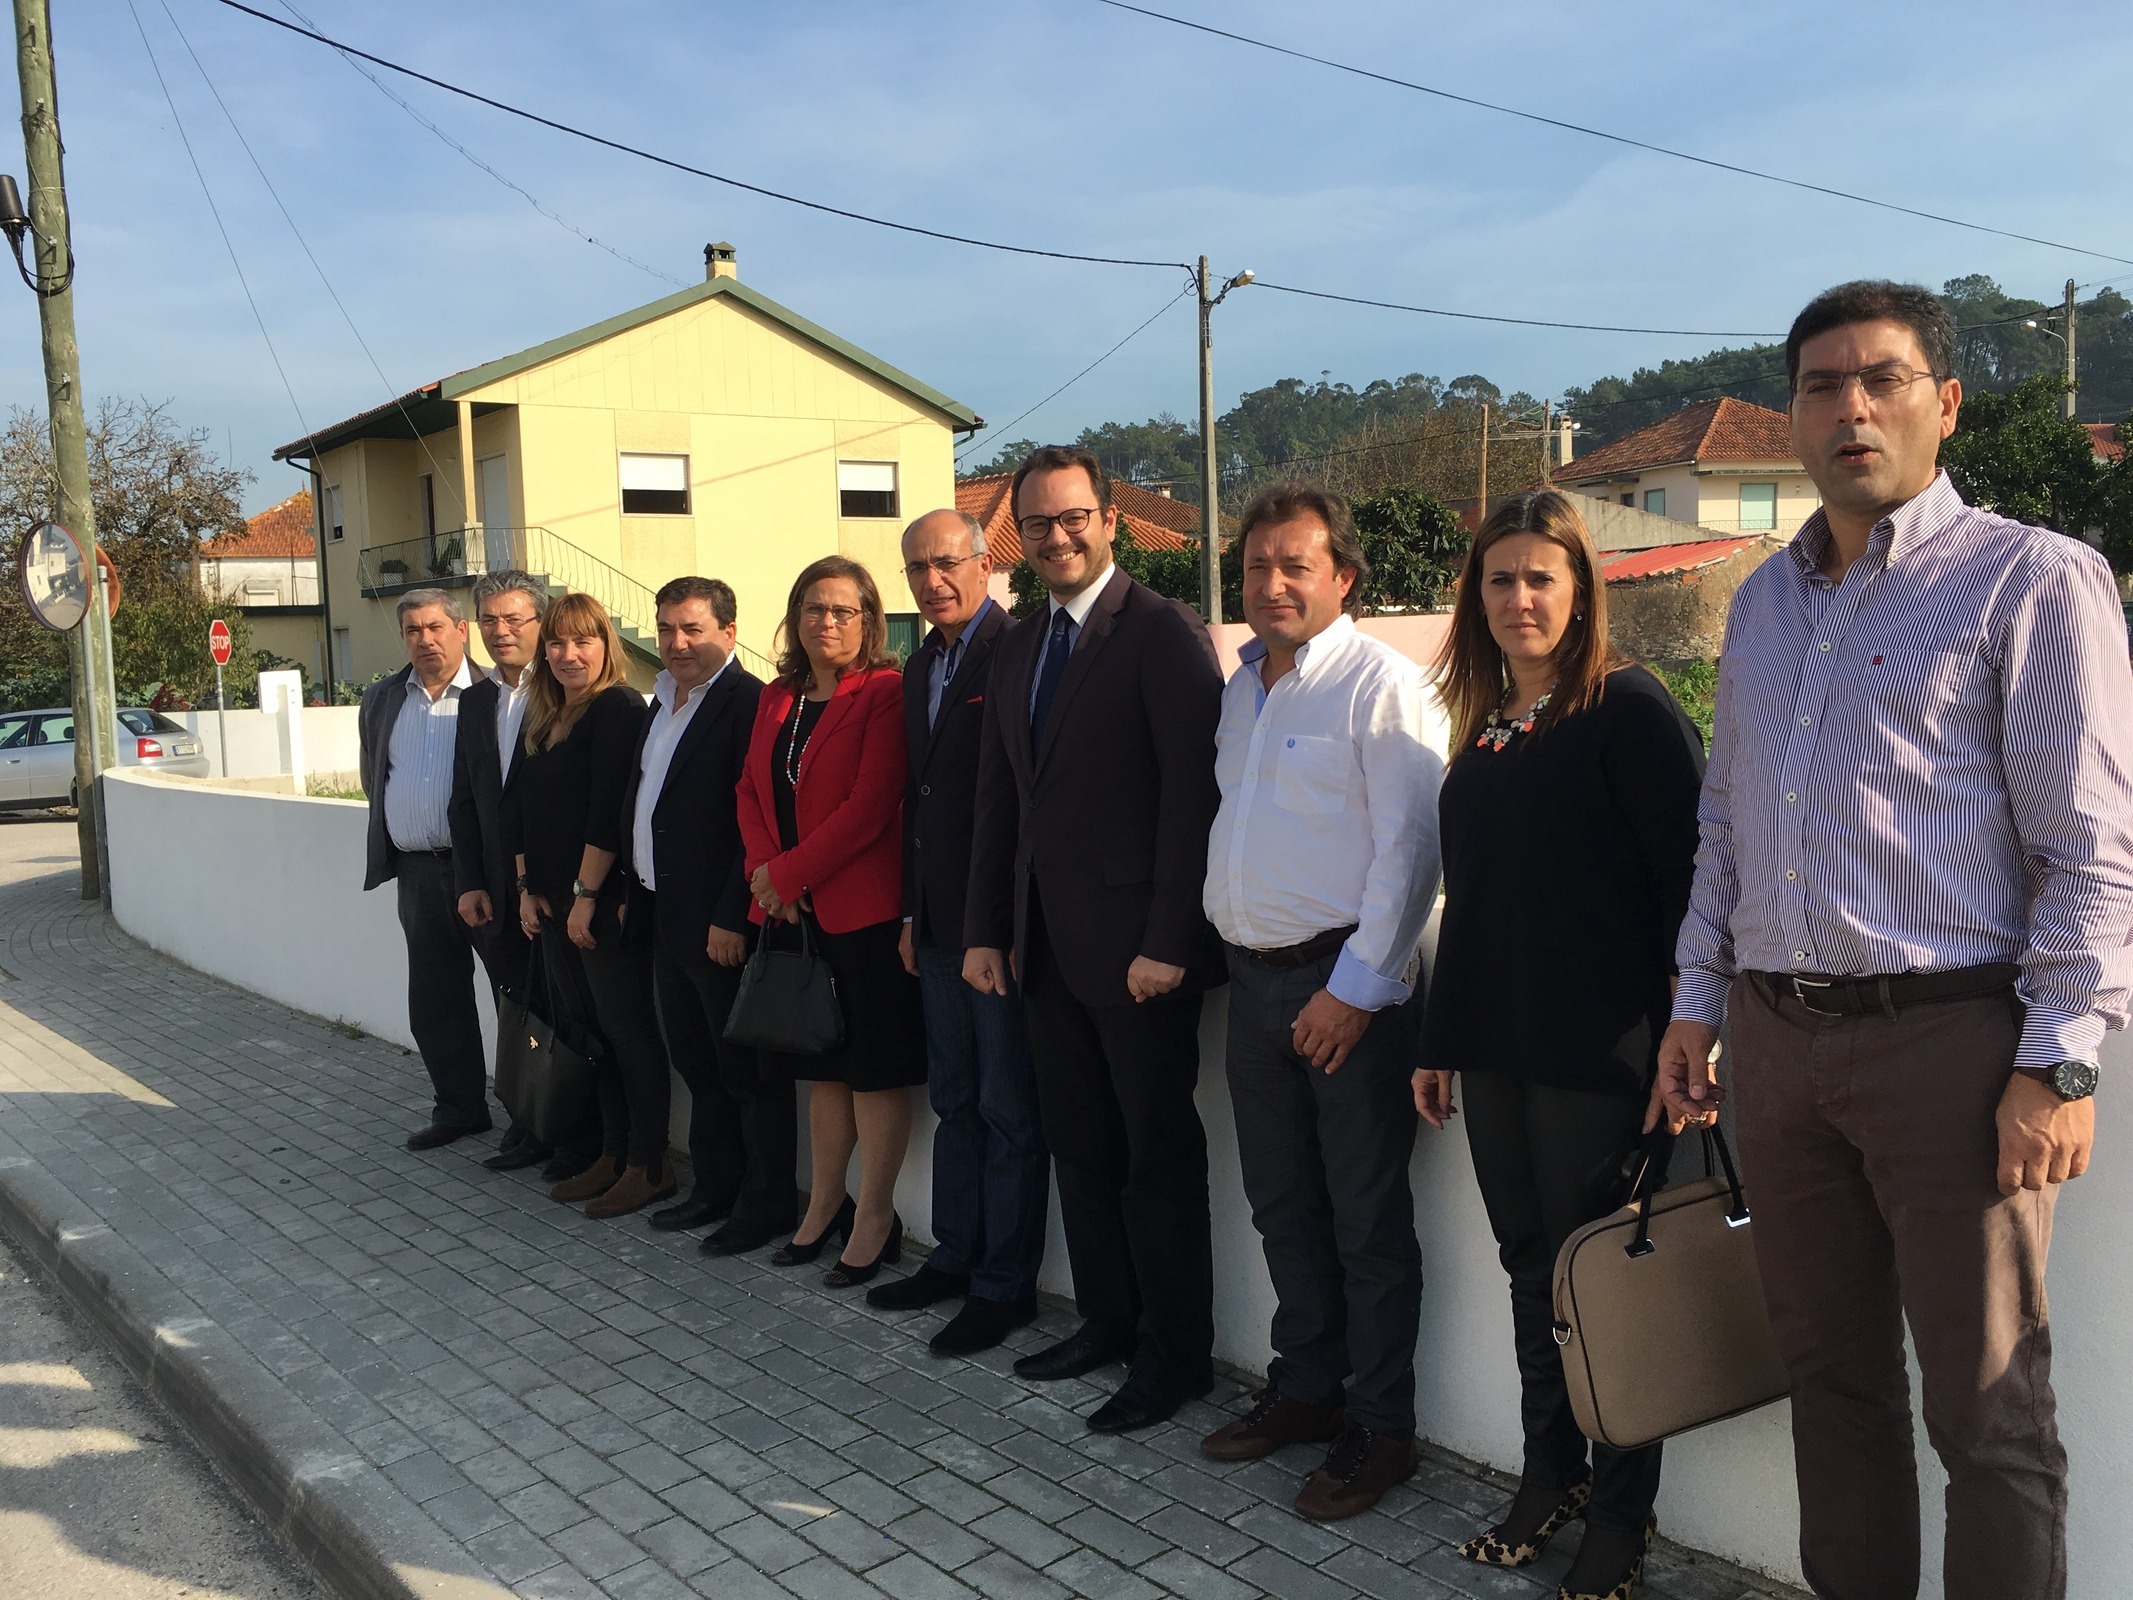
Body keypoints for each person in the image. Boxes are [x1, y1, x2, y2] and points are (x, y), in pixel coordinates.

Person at [1657, 281, 2133, 1600]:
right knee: (1831, 1382)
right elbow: (1727, 823)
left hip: (1954, 1050)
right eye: (1822, 386)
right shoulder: (1761, 604)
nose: (1851, 408)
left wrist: (2061, 1061)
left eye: (1882, 380)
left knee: (1988, 1411)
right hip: (1776, 1043)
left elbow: (2093, 848)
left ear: (1946, 403)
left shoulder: (2030, 579)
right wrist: (1696, 998)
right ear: (1793, 417)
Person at [1414, 490, 1705, 1600]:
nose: (1519, 597)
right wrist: (1439, 1039)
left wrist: (1692, 1039)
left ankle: (1622, 1520)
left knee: (1606, 1291)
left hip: (1603, 1054)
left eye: (1541, 577)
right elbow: (1475, 901)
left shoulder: (1629, 709)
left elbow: (1692, 892)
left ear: (1581, 591)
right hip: (1498, 1046)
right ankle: (1553, 1474)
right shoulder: (1490, 722)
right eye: (1500, 578)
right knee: (1530, 1269)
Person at [964, 444, 1226, 1433]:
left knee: (1156, 1159)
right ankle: (1108, 1323)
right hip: (1043, 950)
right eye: (1037, 523)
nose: (1057, 536)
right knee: (1079, 1148)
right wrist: (988, 929)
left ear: (1110, 520)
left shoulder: (1161, 631)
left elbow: (1193, 800)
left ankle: (1175, 1357)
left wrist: (1169, 938)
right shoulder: (1020, 642)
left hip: (1140, 957)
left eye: (1074, 517)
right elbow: (1001, 800)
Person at [1197, 484, 1444, 1520]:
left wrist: (1354, 991)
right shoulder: (1243, 688)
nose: (1272, 583)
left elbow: (1413, 851)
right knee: (1281, 1206)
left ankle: (1380, 1429)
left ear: (1343, 576)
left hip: (1343, 991)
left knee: (1365, 1221)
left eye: (1295, 565)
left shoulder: (1381, 685)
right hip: (1252, 984)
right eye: (1256, 566)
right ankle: (1306, 1388)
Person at [870, 509, 1050, 1355]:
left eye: (946, 563)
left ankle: (1003, 1286)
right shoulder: (920, 666)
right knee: (955, 1099)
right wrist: (912, 913)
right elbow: (921, 802)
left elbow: (1019, 804)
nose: (931, 580)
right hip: (936, 923)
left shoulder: (1018, 653)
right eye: (917, 568)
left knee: (1009, 1108)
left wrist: (999, 925)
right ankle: (954, 1255)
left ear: (985, 565)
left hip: (998, 928)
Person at [735, 556, 922, 1287]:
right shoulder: (776, 696)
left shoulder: (883, 692)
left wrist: (789, 875)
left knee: (872, 1072)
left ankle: (874, 1216)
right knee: (822, 1070)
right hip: (792, 913)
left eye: (845, 610)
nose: (828, 622)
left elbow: (871, 805)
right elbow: (749, 791)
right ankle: (823, 1203)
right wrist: (769, 877)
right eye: (814, 608)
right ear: (795, 618)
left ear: (869, 620)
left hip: (863, 914)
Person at [614, 577, 795, 1253]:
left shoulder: (750, 704)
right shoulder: (661, 700)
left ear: (728, 631)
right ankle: (716, 1189)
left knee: (748, 1075)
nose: (676, 642)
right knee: (698, 1063)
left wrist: (733, 915)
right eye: (666, 629)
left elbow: (757, 823)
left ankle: (765, 1205)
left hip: (721, 924)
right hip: (664, 915)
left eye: (692, 628)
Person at [504, 592, 674, 1218]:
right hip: (551, 905)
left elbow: (609, 812)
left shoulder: (618, 709)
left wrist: (585, 896)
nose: (569, 654)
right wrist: (526, 888)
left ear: (607, 645)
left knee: (627, 1032)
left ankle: (648, 1165)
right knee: (590, 1033)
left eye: (583, 641)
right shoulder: (543, 715)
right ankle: (612, 1152)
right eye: (557, 642)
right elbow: (518, 809)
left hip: (598, 904)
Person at [358, 588, 493, 1149]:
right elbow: (375, 776)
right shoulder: (383, 698)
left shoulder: (494, 693)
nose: (425, 639)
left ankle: (537, 1118)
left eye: (435, 627)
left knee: (516, 994)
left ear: (461, 630)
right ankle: (461, 1110)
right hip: (417, 873)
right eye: (413, 630)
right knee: (437, 1001)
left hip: (484, 872)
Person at [447, 571, 567, 1175]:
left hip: (552, 889)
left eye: (515, 619)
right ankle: (526, 1119)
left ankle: (567, 1131)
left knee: (562, 1010)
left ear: (541, 622)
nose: (501, 631)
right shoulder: (476, 698)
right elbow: (465, 798)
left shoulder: (567, 691)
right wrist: (470, 880)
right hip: (493, 890)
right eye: (490, 620)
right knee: (514, 1008)